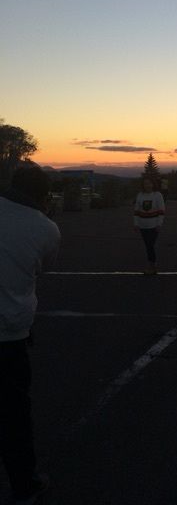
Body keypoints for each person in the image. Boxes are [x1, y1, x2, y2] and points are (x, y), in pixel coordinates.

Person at [0, 165, 61, 504]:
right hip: (9, 332)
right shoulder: (46, 228)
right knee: (13, 415)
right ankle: (24, 483)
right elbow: (45, 267)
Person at [134, 177, 165, 274]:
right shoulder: (140, 195)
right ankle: (152, 265)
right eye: (145, 183)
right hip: (143, 225)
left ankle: (152, 266)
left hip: (153, 225)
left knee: (150, 245)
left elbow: (161, 210)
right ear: (143, 185)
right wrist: (136, 223)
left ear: (153, 184)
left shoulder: (157, 195)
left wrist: (159, 224)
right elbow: (136, 210)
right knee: (148, 246)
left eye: (149, 183)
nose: (147, 185)